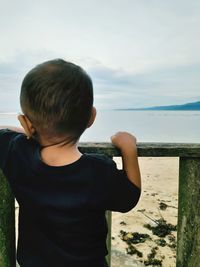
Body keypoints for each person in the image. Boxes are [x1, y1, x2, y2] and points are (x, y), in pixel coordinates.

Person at [0, 59, 141, 267]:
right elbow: (129, 197)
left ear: (27, 124)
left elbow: (4, 131)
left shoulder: (17, 153)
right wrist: (129, 148)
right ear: (91, 118)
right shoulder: (99, 171)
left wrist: (32, 132)